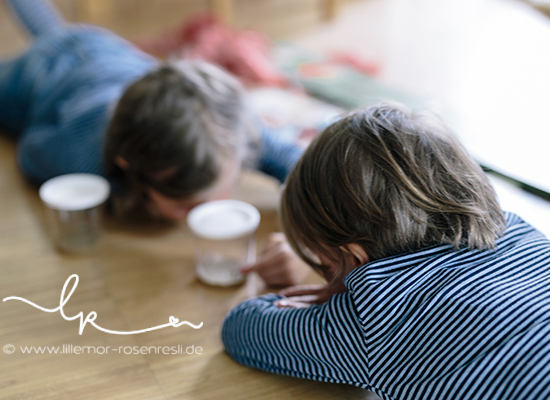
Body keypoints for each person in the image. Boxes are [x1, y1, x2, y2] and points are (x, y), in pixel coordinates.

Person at [222, 103, 550, 400]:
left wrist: (339, 299)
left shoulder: (376, 318)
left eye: (325, 267)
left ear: (355, 258)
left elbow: (241, 330)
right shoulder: (522, 233)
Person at [0, 0, 309, 286]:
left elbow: (303, 166)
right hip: (41, 74)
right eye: (185, 205)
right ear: (128, 166)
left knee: (53, 28)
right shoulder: (82, 155)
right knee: (47, 45)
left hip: (112, 54)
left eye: (223, 187)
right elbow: (30, 151)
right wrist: (101, 193)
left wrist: (305, 246)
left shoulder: (230, 126)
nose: (209, 210)